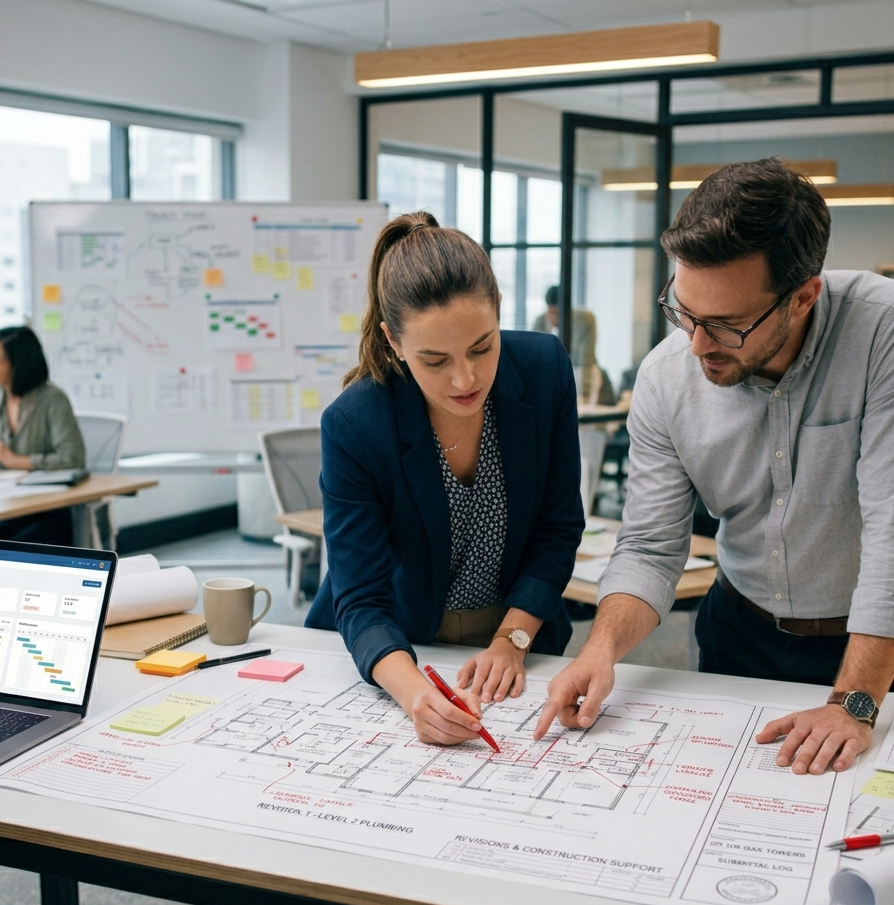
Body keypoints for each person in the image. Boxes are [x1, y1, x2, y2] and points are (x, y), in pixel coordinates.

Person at [535, 158, 894, 777]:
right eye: (684, 311)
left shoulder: (880, 331)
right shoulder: (666, 377)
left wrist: (853, 703)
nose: (697, 344)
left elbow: (893, 530)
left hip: (874, 650)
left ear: (803, 295)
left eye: (726, 325)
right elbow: (650, 546)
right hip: (741, 632)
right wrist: (601, 649)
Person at [306, 211, 584, 746]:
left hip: (518, 635)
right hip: (398, 644)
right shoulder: (356, 423)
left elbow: (558, 527)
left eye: (483, 347)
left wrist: (512, 640)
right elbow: (360, 598)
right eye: (435, 361)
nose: (466, 378)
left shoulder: (544, 368)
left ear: (499, 312)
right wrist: (415, 695)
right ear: (393, 342)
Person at [0, 326, 86, 545]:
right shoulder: (1, 399)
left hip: (48, 511)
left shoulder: (52, 399)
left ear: (19, 363)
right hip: (9, 505)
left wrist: (16, 461)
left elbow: (73, 458)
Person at [532, 287, 615, 404]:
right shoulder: (540, 322)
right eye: (551, 313)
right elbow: (535, 360)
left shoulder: (583, 320)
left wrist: (584, 393)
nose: (554, 318)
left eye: (557, 313)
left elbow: (585, 358)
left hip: (583, 376)